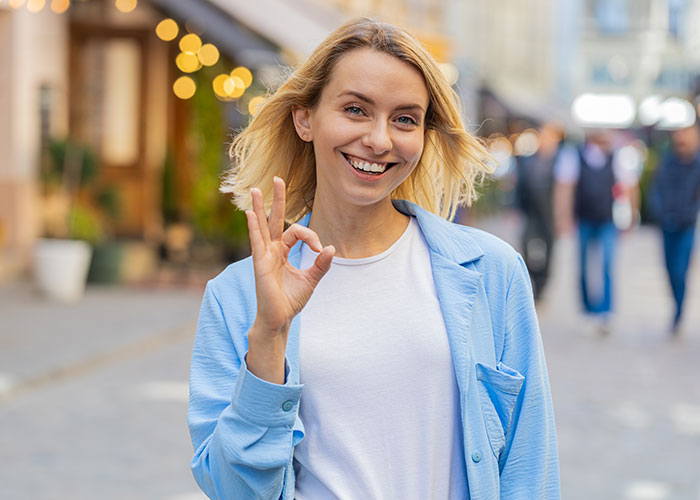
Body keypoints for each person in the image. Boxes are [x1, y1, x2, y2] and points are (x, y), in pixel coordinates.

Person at [187, 19, 560, 500]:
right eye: (355, 110)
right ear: (305, 118)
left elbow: (530, 471)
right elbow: (232, 490)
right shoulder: (235, 298)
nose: (380, 140)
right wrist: (269, 340)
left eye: (405, 119)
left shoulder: (492, 272)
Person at [553, 130, 639, 333]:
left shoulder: (617, 157)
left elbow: (630, 187)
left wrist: (632, 216)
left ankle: (605, 310)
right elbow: (564, 187)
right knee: (582, 264)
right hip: (584, 218)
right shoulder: (573, 155)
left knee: (607, 263)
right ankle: (587, 308)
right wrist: (562, 216)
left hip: (607, 219)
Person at [648, 124, 700, 334]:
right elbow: (656, 190)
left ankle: (678, 312)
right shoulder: (667, 162)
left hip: (686, 226)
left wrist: (688, 213)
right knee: (670, 270)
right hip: (667, 225)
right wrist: (660, 212)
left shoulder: (697, 165)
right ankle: (676, 306)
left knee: (680, 271)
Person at [514, 122, 564, 300]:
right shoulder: (530, 160)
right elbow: (520, 185)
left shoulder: (560, 162)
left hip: (550, 214)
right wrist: (515, 207)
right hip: (531, 212)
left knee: (549, 250)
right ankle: (533, 278)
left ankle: (542, 284)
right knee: (526, 245)